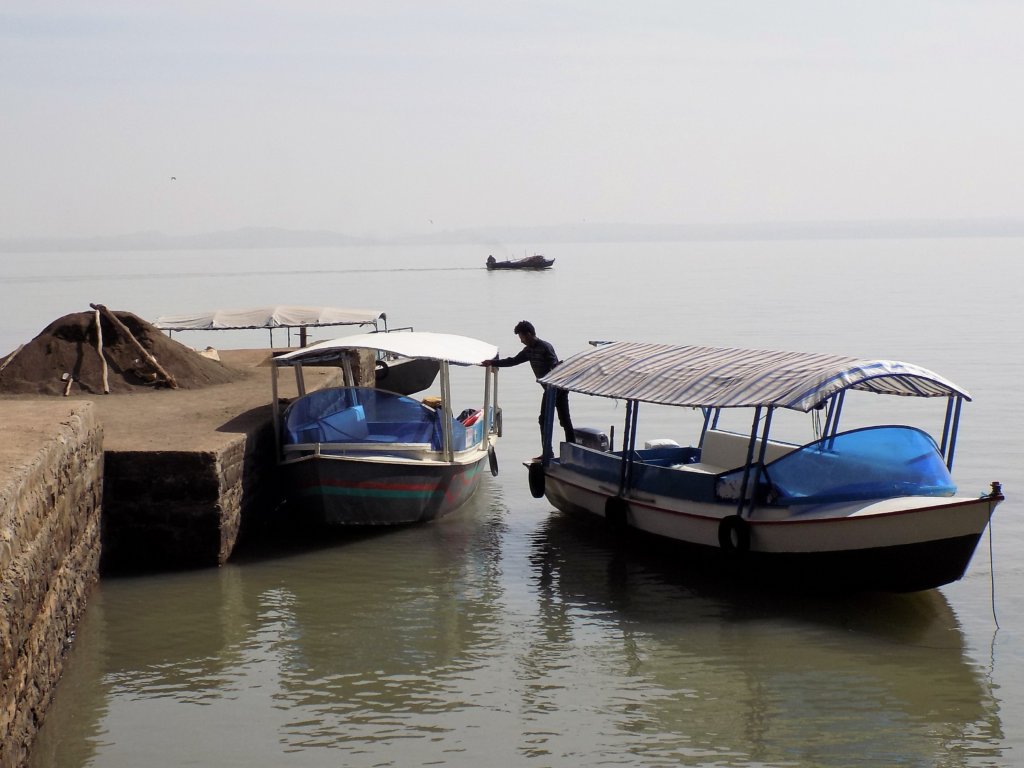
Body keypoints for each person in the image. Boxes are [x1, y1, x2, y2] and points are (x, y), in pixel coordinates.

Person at [484, 320, 575, 459]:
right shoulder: (528, 351)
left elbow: (554, 367)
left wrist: (556, 366)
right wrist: (492, 362)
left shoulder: (545, 347)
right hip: (548, 390)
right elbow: (513, 361)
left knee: (564, 421)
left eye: (522, 337)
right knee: (544, 420)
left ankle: (571, 452)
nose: (521, 341)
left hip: (558, 389)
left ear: (529, 334)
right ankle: (548, 452)